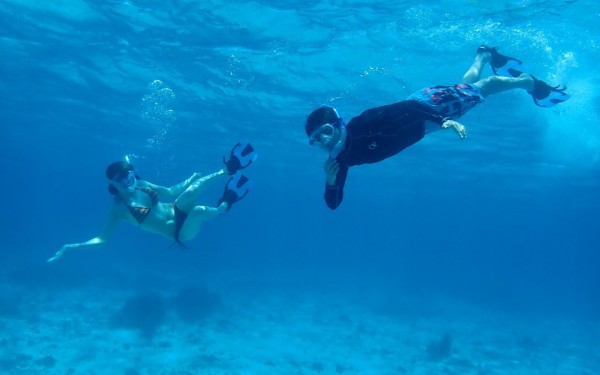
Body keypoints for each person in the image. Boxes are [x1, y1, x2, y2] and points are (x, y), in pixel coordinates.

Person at [305, 45, 570, 210]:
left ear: (338, 124)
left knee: (483, 89)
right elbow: (334, 204)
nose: (322, 141)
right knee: (468, 91)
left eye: (325, 131)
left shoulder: (361, 123)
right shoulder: (340, 160)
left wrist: (442, 120)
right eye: (315, 139)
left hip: (428, 107)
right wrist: (330, 183)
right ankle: (483, 54)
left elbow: (406, 108)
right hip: (427, 122)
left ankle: (527, 82)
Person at [47, 142, 257, 262]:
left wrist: (190, 179)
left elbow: (170, 191)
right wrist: (69, 247)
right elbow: (102, 239)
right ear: (113, 183)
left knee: (192, 190)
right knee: (200, 210)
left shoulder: (142, 183)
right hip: (179, 233)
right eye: (121, 179)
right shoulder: (118, 209)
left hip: (175, 209)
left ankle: (228, 169)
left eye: (129, 174)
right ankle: (226, 204)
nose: (128, 180)